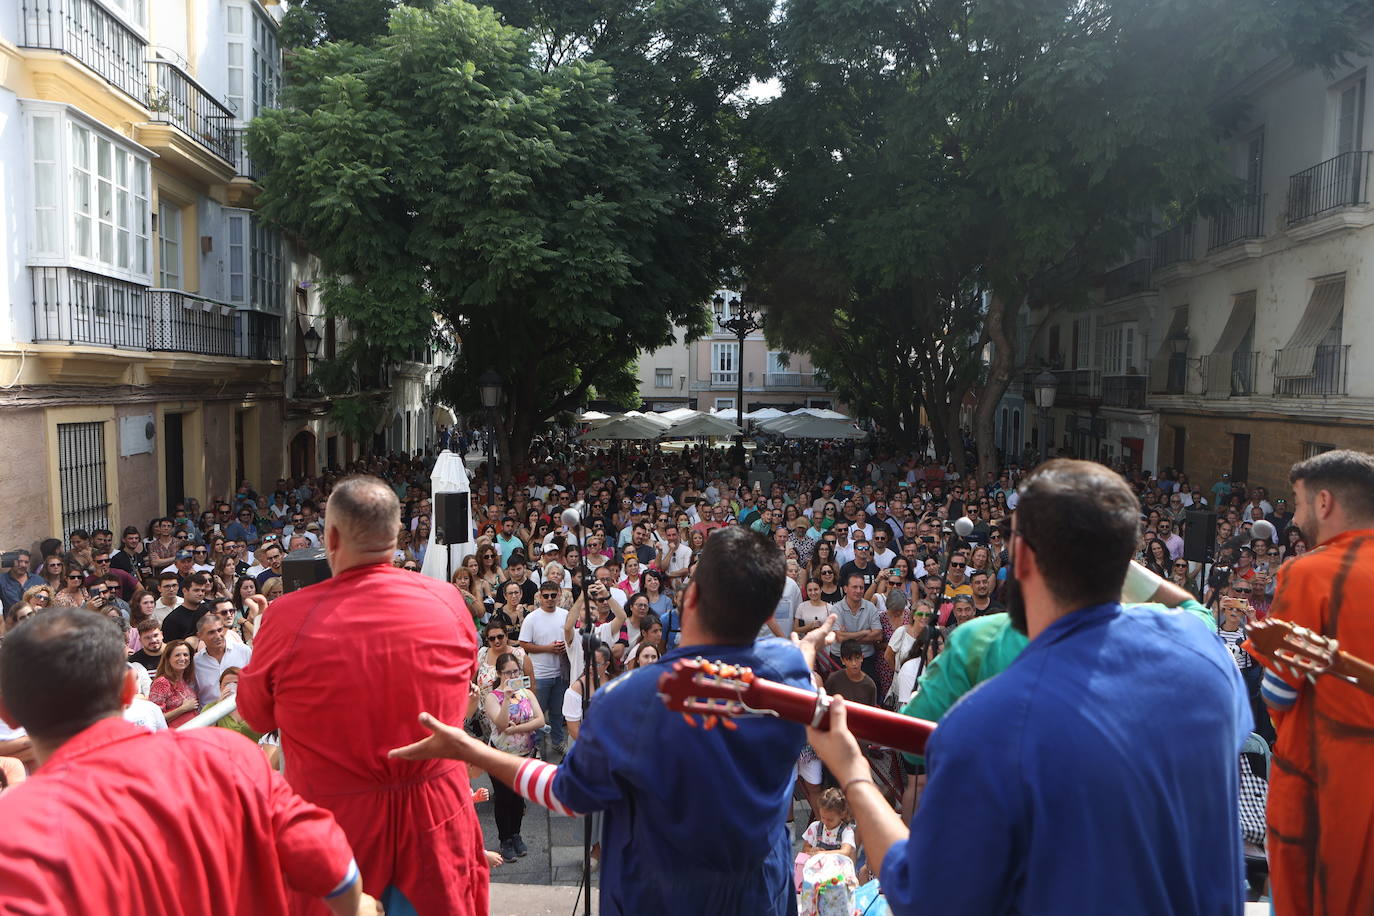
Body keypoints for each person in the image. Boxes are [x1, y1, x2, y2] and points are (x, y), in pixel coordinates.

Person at [809, 459, 1251, 914]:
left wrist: (850, 768)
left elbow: (922, 893)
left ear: (1018, 558)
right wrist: (1111, 553)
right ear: (1123, 564)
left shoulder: (989, 723)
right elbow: (1192, 608)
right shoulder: (1205, 655)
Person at [389, 525, 836, 915]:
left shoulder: (628, 699)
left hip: (660, 898)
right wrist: (811, 644)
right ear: (768, 610)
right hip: (760, 896)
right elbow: (797, 656)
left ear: (690, 596)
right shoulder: (789, 670)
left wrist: (469, 749)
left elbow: (567, 794)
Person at [0, 608, 368, 915]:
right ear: (130, 689)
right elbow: (331, 864)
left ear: (8, 712)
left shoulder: (15, 832)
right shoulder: (229, 757)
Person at [238, 475, 486, 915]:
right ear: (397, 537)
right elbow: (462, 682)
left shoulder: (288, 616)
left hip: (334, 833)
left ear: (330, 537)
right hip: (435, 822)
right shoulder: (448, 601)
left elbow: (255, 715)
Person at [1256, 449, 1374, 916]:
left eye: (1299, 503)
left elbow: (1278, 691)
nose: (1297, 514)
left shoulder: (1308, 572)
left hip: (1325, 781)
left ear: (1323, 502)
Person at [482, 652, 546, 862]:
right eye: (508, 672)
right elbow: (500, 724)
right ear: (500, 674)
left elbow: (539, 720)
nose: (512, 675)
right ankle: (505, 839)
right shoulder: (493, 697)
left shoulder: (527, 693)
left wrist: (516, 728)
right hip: (500, 757)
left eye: (515, 671)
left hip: (524, 755)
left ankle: (516, 834)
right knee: (504, 798)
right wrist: (507, 698)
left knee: (518, 797)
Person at [148, 639, 200, 729]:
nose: (182, 658)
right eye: (177, 655)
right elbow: (155, 718)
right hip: (175, 735)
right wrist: (183, 709)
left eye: (185, 655)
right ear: (168, 659)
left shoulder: (185, 680)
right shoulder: (162, 683)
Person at [824, 640, 878, 706]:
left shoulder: (870, 685)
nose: (854, 663)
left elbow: (871, 711)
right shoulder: (833, 679)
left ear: (862, 658)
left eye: (857, 658)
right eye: (849, 659)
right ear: (842, 660)